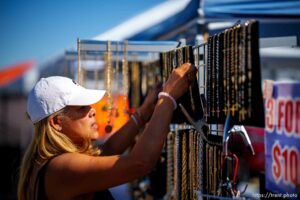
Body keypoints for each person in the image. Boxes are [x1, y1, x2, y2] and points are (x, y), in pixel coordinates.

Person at [18, 62, 197, 200]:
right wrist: (167, 98)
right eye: (82, 108)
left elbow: (108, 150)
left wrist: (143, 113)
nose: (93, 110)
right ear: (56, 122)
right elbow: (140, 163)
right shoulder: (62, 168)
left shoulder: (48, 163)